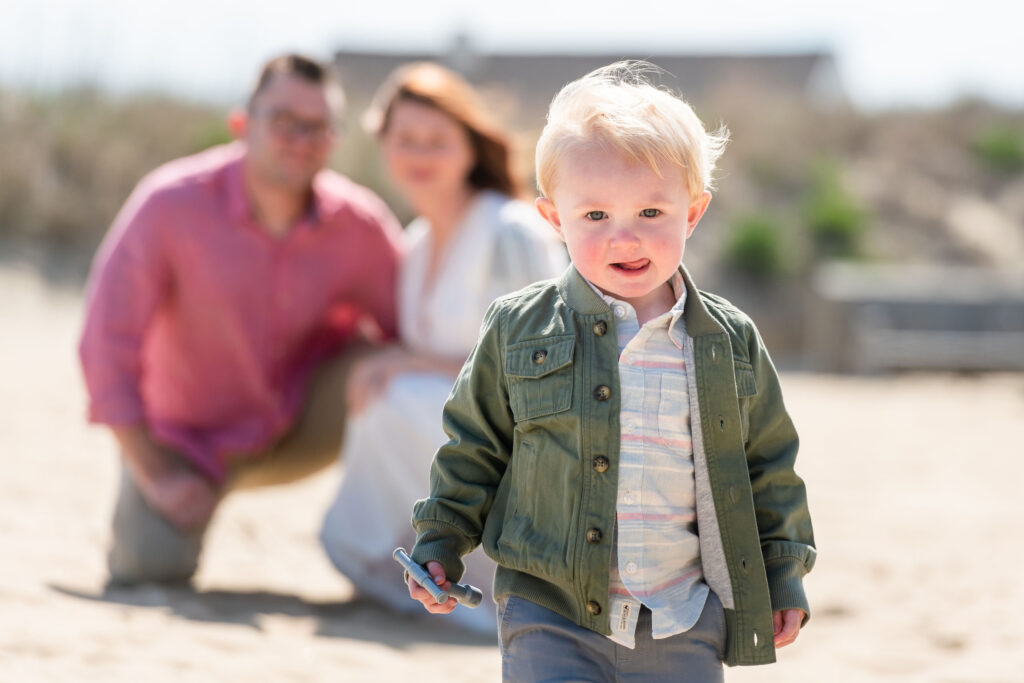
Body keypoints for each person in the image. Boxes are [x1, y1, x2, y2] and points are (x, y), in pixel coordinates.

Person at [406, 61, 816, 680]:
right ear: (554, 220)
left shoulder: (728, 341)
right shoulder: (519, 328)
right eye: (595, 216)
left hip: (682, 617)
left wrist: (782, 573)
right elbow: (473, 448)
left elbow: (767, 463)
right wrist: (439, 544)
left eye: (651, 213)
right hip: (550, 611)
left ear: (693, 212)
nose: (625, 238)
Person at [79, 54, 403, 585]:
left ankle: (408, 555)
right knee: (147, 569)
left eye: (317, 126)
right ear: (240, 124)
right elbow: (104, 342)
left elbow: (412, 326)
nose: (300, 138)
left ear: (335, 138)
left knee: (402, 376)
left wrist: (396, 359)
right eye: (282, 121)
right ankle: (141, 504)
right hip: (183, 442)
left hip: (299, 424)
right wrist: (156, 474)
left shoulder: (359, 224)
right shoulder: (169, 205)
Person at [319, 62, 565, 633]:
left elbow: (542, 361)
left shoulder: (511, 230)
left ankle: (501, 571)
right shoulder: (414, 243)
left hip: (524, 439)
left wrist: (409, 364)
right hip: (454, 433)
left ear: (469, 148)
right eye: (406, 139)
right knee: (381, 393)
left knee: (399, 394)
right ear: (384, 145)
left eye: (437, 141)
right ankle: (421, 558)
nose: (420, 154)